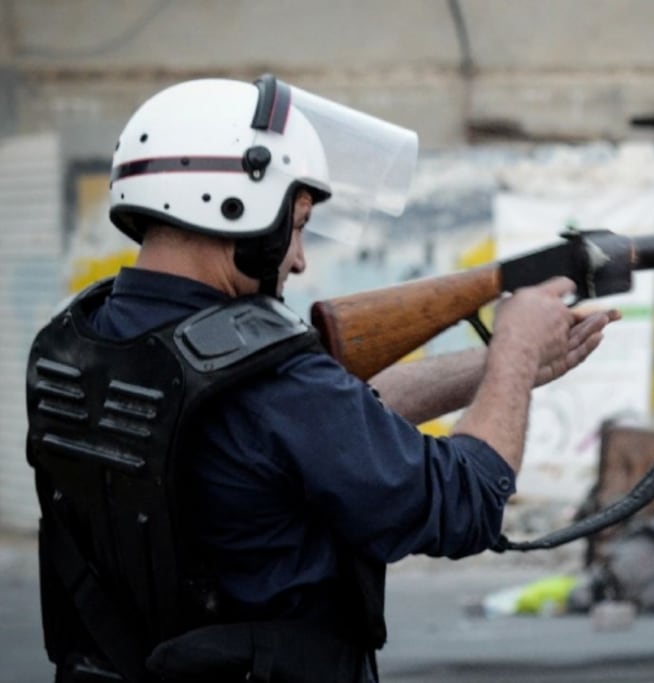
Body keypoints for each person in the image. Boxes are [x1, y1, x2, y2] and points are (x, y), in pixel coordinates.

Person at [26, 75, 619, 682]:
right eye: (299, 222)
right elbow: (465, 503)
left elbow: (319, 427)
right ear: (234, 202)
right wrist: (514, 350)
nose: (299, 257)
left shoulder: (79, 341)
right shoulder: (270, 380)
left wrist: (498, 372)